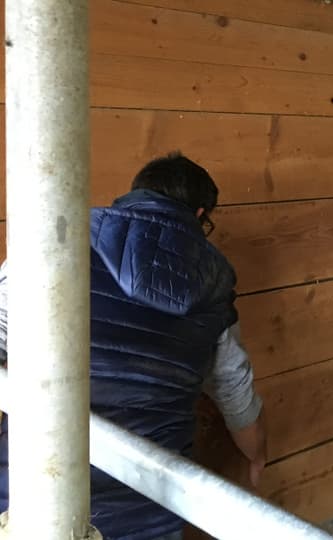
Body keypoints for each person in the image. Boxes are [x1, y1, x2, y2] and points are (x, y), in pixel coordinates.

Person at [0, 152, 267, 540]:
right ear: (199, 213)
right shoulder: (215, 285)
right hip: (149, 496)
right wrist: (256, 454)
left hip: (36, 483)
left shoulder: (57, 237)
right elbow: (233, 387)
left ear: (134, 196)